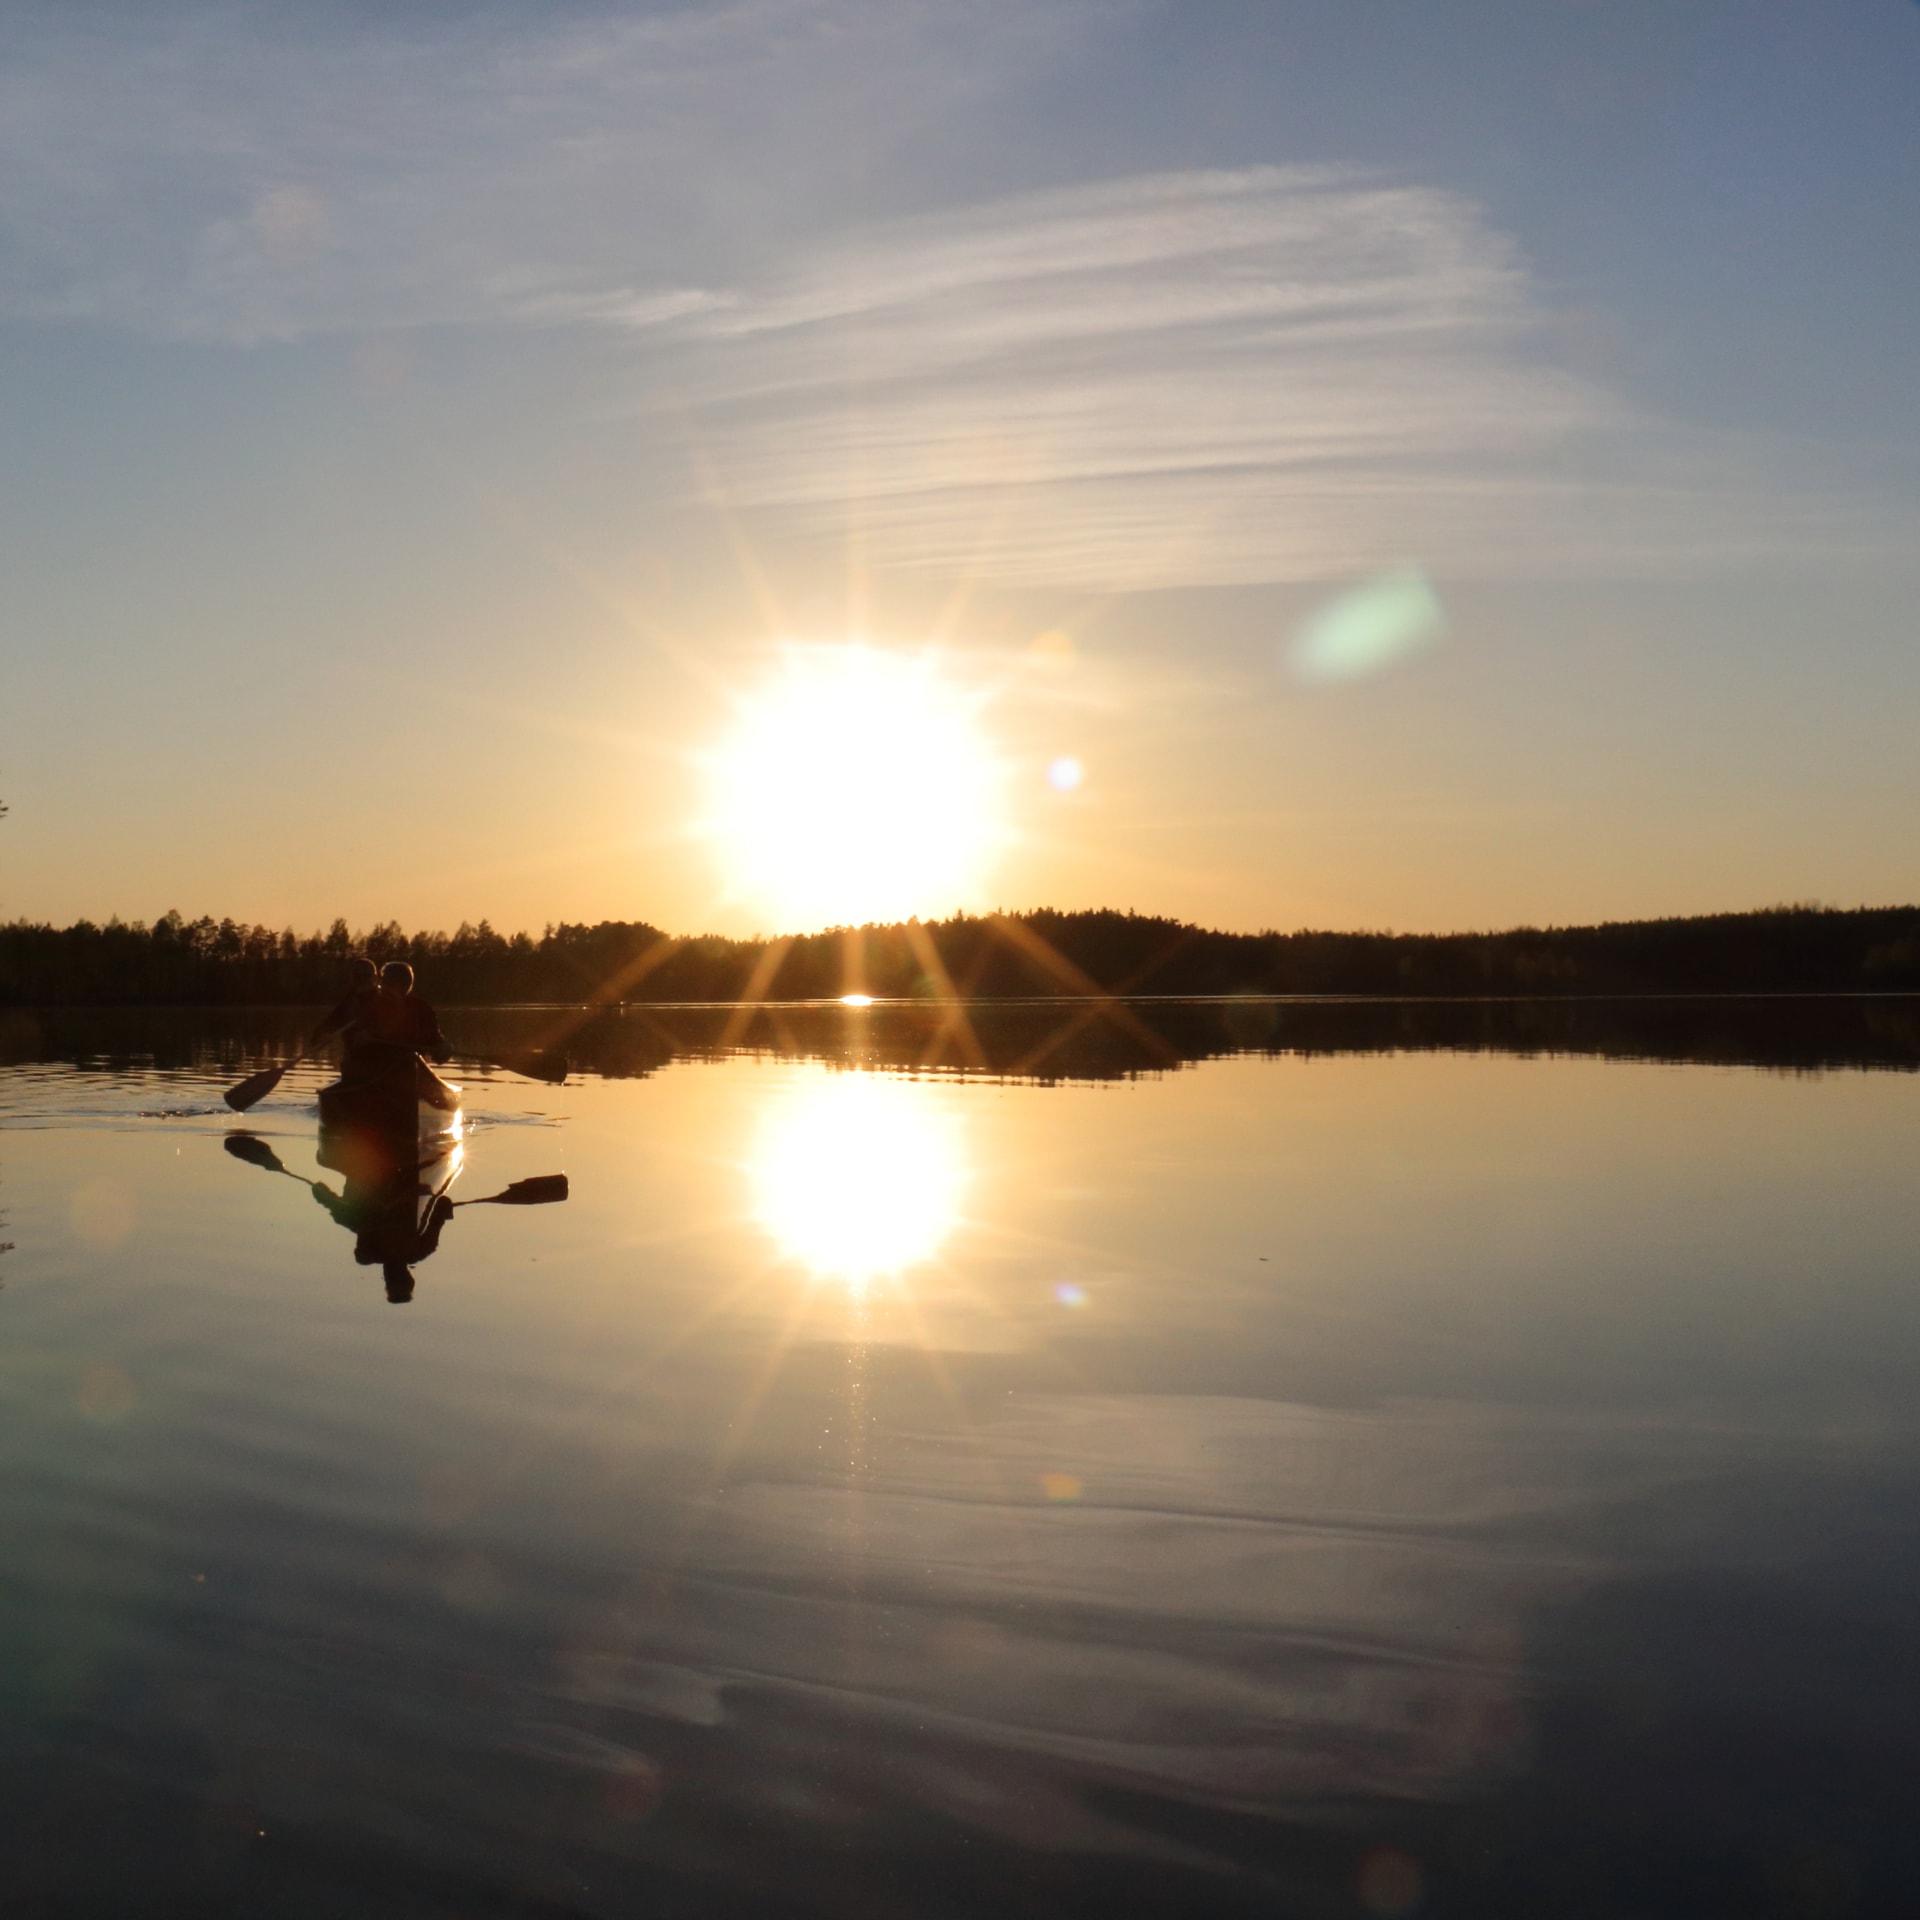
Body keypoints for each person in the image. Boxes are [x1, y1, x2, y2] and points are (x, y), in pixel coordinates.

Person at [307, 957, 382, 1078]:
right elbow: (331, 1022)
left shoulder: (384, 1000)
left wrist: (371, 1034)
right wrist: (320, 1036)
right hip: (354, 1061)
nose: (361, 981)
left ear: (372, 978)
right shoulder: (350, 1000)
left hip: (378, 1061)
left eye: (364, 977)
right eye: (358, 977)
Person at [377, 960, 452, 1063]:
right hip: (379, 1062)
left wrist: (443, 1047)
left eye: (384, 981)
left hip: (408, 1066)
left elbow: (436, 1046)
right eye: (382, 981)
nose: (380, 985)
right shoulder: (372, 1005)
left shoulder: (421, 1009)